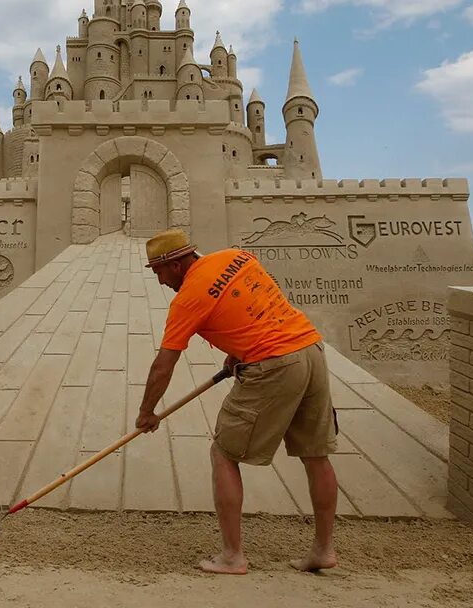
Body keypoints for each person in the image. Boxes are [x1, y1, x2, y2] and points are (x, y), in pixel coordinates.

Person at [135, 228, 339, 575]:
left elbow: (162, 366)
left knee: (224, 454)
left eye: (157, 270)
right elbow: (252, 301)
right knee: (316, 455)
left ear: (175, 264)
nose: (158, 280)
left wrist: (146, 413)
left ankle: (232, 556)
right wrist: (235, 350)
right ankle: (323, 550)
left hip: (274, 364)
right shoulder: (236, 256)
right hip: (309, 348)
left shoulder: (187, 299)